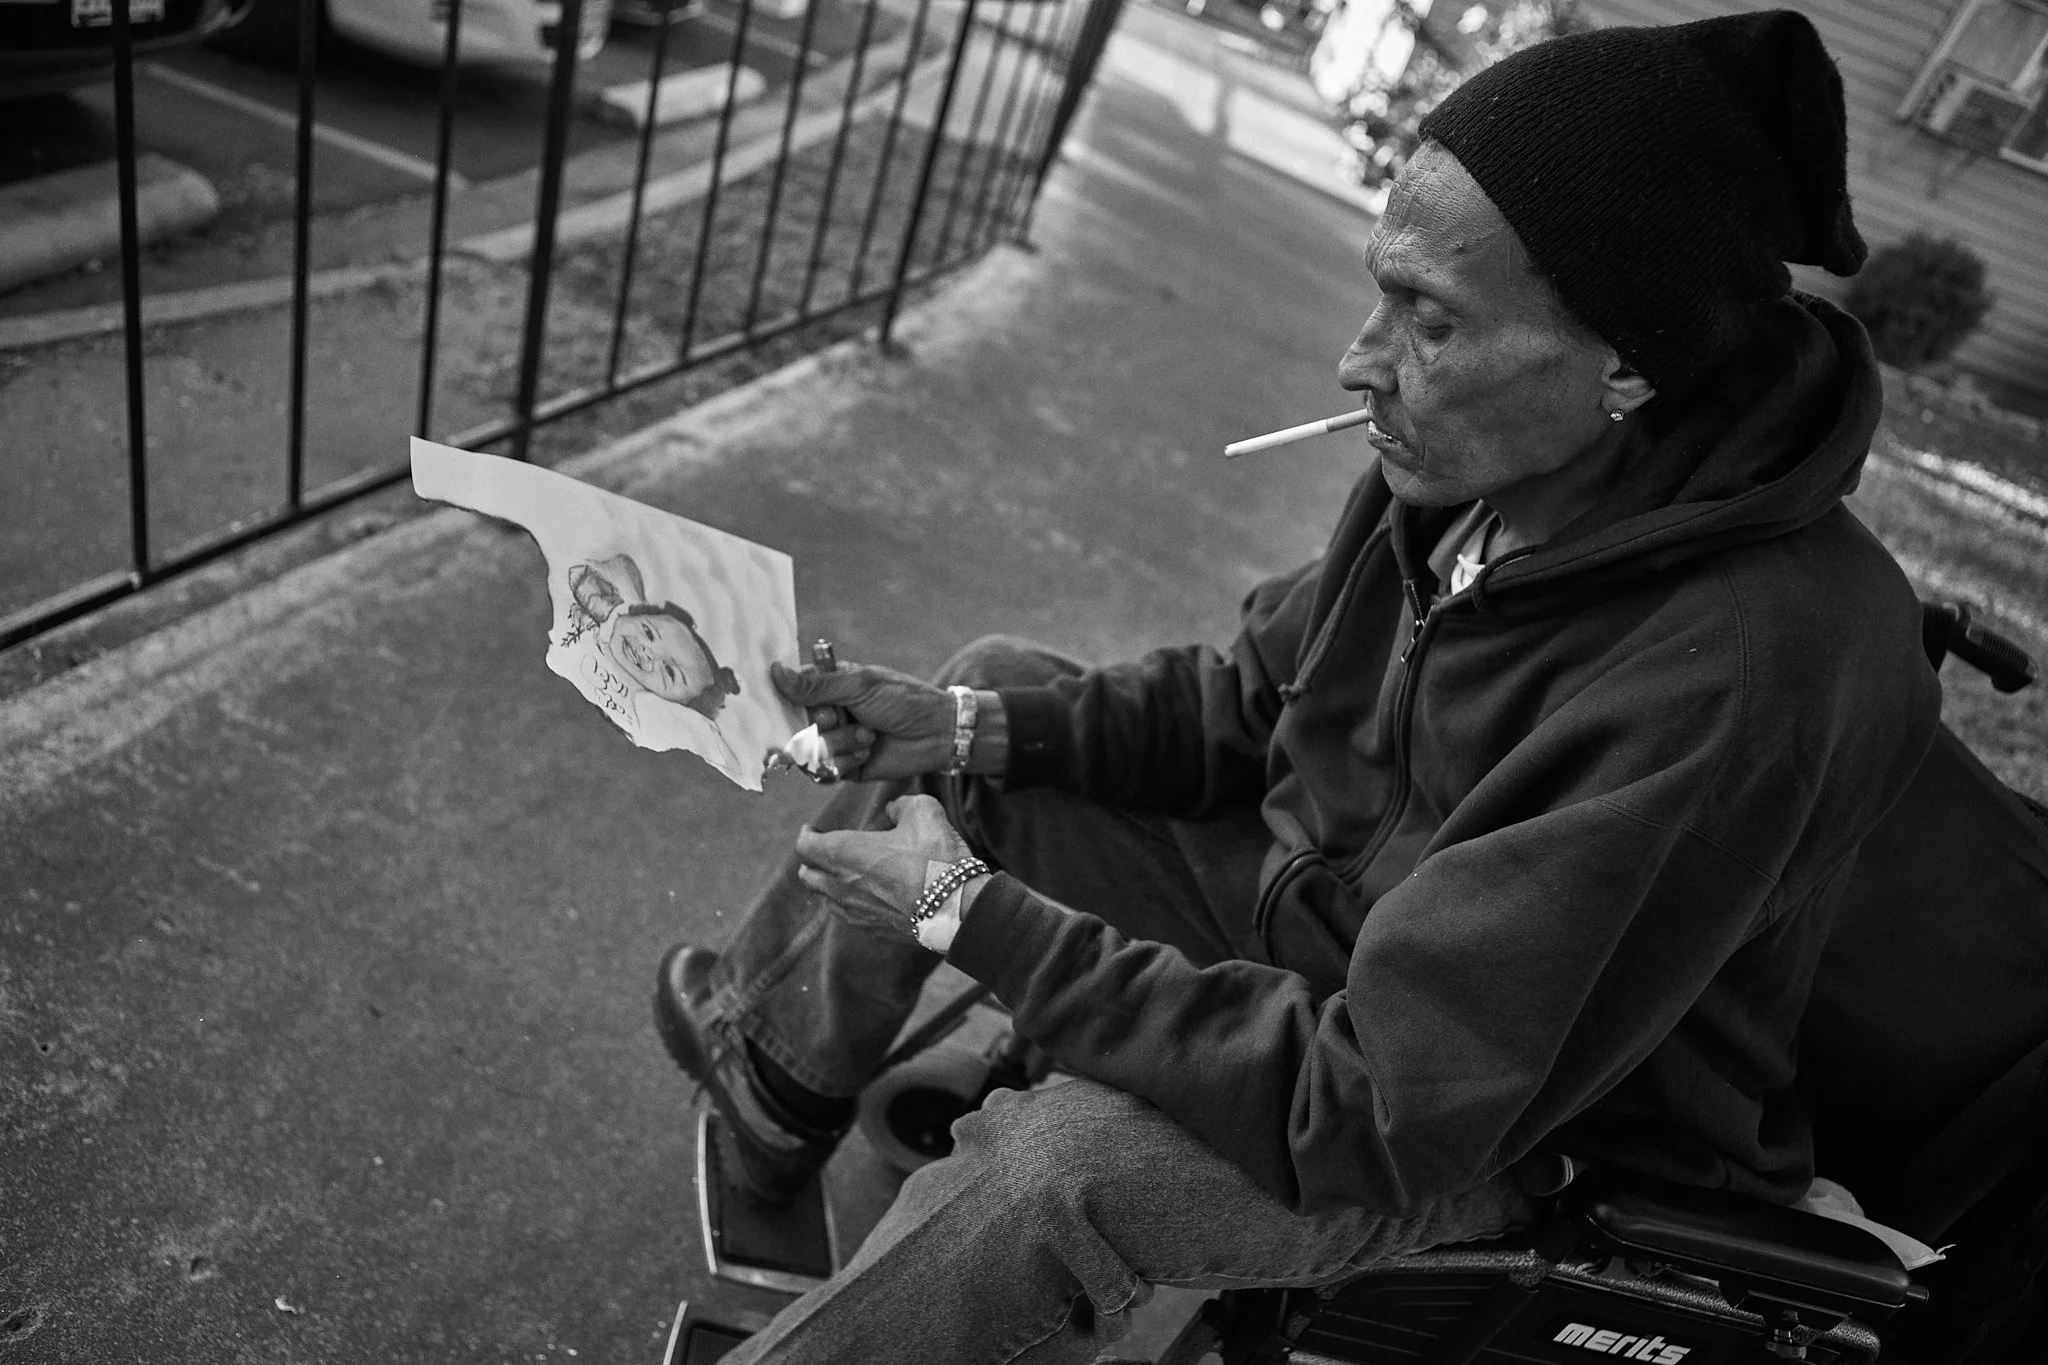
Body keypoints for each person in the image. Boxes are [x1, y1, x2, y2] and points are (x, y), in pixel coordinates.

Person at [652, 12, 1943, 1362]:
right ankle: (776, 1078)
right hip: (1323, 938)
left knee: (1056, 1173)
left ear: (1630, 363)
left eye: (1430, 318)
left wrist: (970, 916)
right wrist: (965, 727)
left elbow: (1388, 1097)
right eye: (1383, 289)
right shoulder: (1466, 462)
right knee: (984, 704)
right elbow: (1249, 705)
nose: (1358, 358)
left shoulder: (1735, 675)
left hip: (1500, 1121)